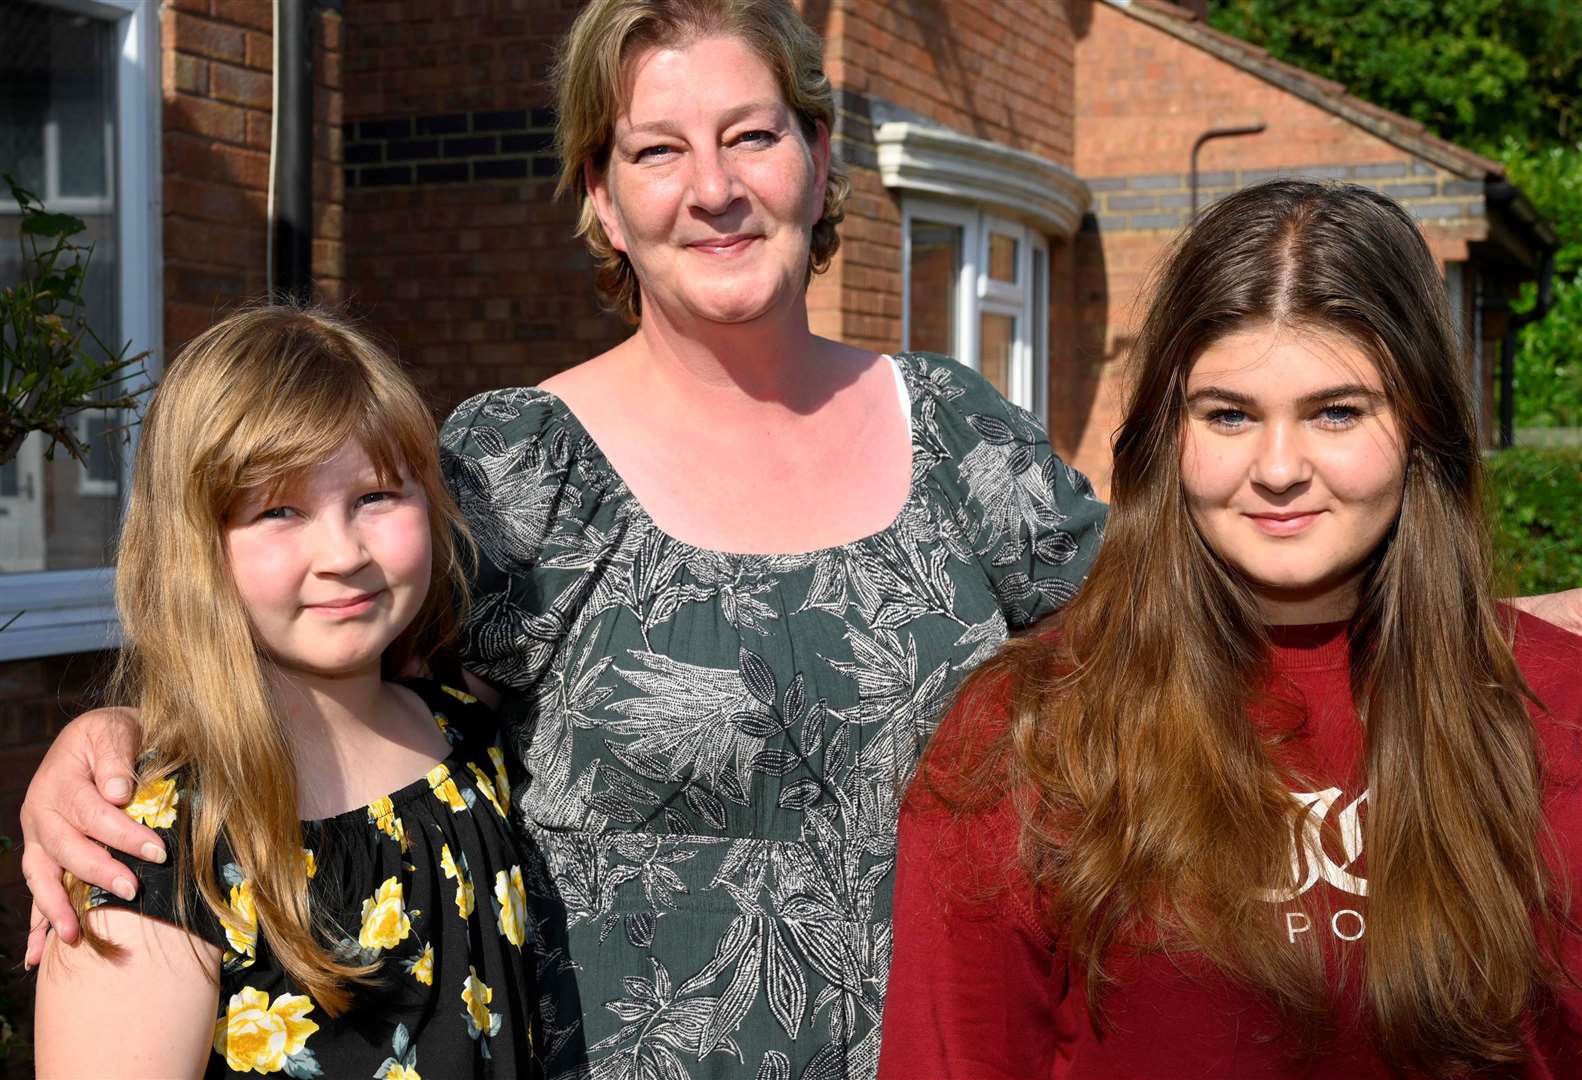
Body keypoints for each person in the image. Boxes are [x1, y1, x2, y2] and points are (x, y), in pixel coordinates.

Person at [21, 3, 1107, 1077]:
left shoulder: (963, 440)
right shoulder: (516, 472)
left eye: (753, 136)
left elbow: (1167, 665)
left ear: (818, 160)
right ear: (603, 197)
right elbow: (313, 646)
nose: (715, 188)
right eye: (657, 150)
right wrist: (115, 740)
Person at [877, 180, 1582, 1078]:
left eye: (1337, 411)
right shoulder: (1027, 733)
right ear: (1170, 435)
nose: (1278, 468)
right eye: (1229, 415)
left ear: (1420, 426)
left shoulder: (1558, 709)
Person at [32, 306, 536, 1077]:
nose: (342, 553)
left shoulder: (464, 733)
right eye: (279, 510)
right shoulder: (152, 847)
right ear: (194, 547)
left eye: (374, 497)